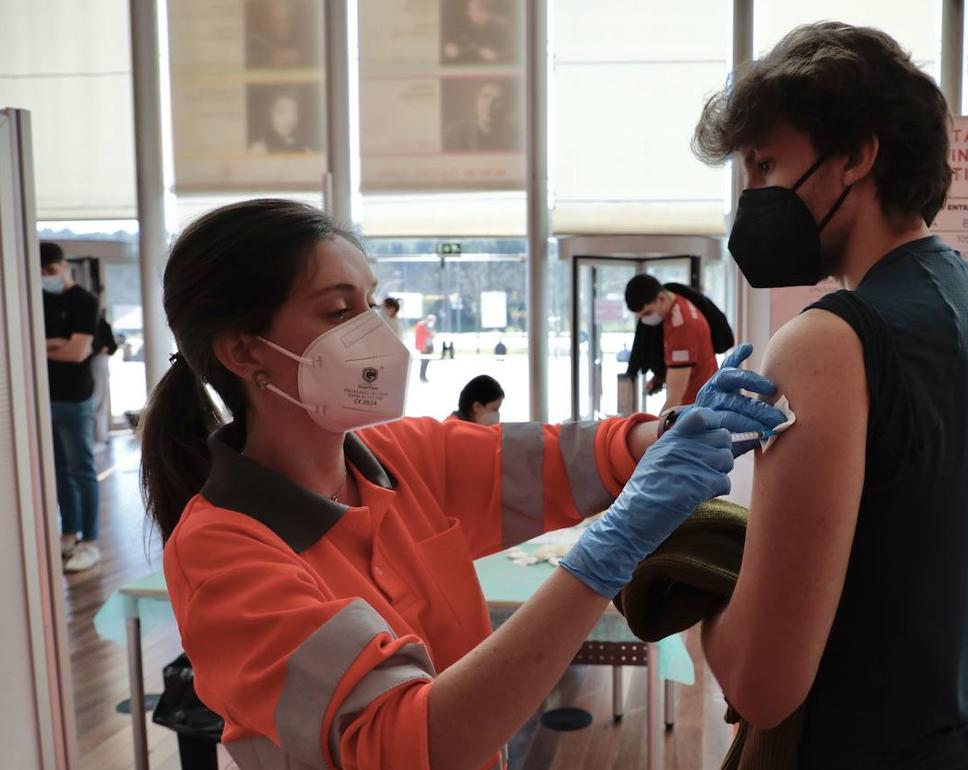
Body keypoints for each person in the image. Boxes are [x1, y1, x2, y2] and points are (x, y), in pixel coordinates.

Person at [138, 198, 785, 770]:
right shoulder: (222, 555)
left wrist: (665, 431)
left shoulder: (393, 459)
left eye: (370, 302)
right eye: (339, 310)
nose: (374, 333)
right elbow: (416, 742)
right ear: (244, 351)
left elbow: (558, 460)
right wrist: (606, 555)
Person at [689, 23, 968, 769]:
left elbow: (763, 689)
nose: (752, 195)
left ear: (857, 156)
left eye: (766, 164)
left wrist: (683, 563)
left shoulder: (827, 342)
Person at [40, 242, 104, 573]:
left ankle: (90, 541)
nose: (46, 278)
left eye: (51, 271)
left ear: (63, 266)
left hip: (76, 398)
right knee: (60, 472)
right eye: (41, 273)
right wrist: (58, 345)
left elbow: (78, 353)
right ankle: (69, 533)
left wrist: (44, 347)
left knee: (82, 469)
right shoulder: (38, 300)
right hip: (44, 398)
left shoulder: (84, 302)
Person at [625, 274, 717, 413]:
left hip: (695, 409)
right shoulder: (678, 305)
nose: (644, 320)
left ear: (661, 298)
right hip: (701, 402)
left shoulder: (682, 326)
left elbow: (674, 399)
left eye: (647, 313)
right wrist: (660, 377)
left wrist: (658, 430)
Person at [443, 81, 520, 152]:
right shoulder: (457, 134)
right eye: (485, 96)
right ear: (477, 100)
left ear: (507, 107)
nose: (489, 104)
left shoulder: (516, 136)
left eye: (498, 100)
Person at [442, 0, 515, 64]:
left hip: (497, 74)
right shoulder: (470, 27)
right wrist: (453, 49)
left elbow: (514, 53)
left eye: (472, 10)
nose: (469, 13)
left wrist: (496, 56)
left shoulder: (502, 27)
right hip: (475, 73)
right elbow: (468, 48)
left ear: (483, 10)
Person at [91, 302, 119, 446]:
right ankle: (98, 436)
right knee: (97, 400)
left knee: (100, 400)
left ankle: (100, 436)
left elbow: (112, 347)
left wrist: (101, 349)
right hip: (93, 364)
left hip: (98, 363)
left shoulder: (101, 325)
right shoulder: (90, 324)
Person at [249, 90, 312, 154]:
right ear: (270, 115)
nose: (289, 119)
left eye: (293, 112)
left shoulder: (305, 150)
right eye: (281, 112)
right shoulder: (259, 150)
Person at [414, 313, 437, 382]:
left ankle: (424, 376)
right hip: (423, 346)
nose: (432, 322)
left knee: (426, 362)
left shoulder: (430, 326)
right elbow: (421, 335)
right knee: (424, 362)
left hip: (429, 346)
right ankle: (422, 377)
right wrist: (430, 334)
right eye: (431, 320)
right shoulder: (421, 325)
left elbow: (431, 335)